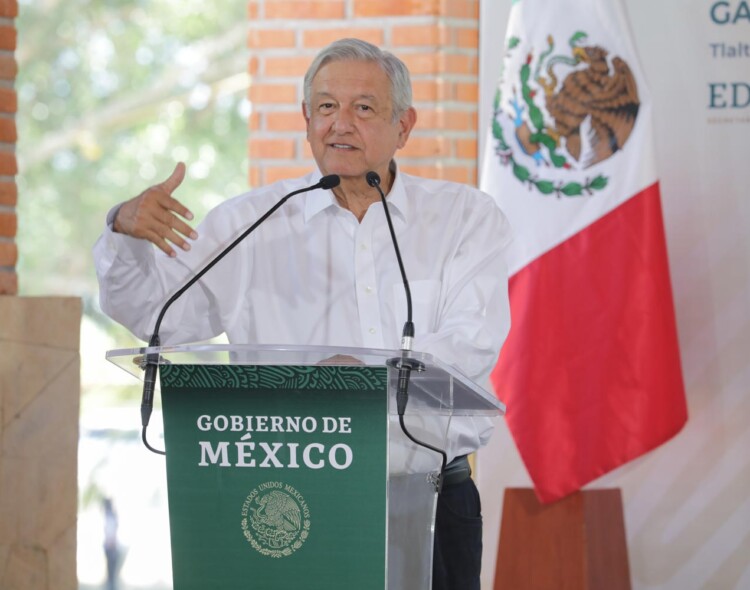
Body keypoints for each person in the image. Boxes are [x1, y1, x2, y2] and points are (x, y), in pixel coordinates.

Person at [94, 38, 511, 590]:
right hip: (287, 503)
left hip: (429, 497)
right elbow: (158, 319)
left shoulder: (464, 218)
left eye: (363, 108)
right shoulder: (251, 222)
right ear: (306, 119)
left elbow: (472, 340)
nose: (340, 124)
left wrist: (363, 377)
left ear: (403, 127)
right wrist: (124, 232)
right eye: (325, 107)